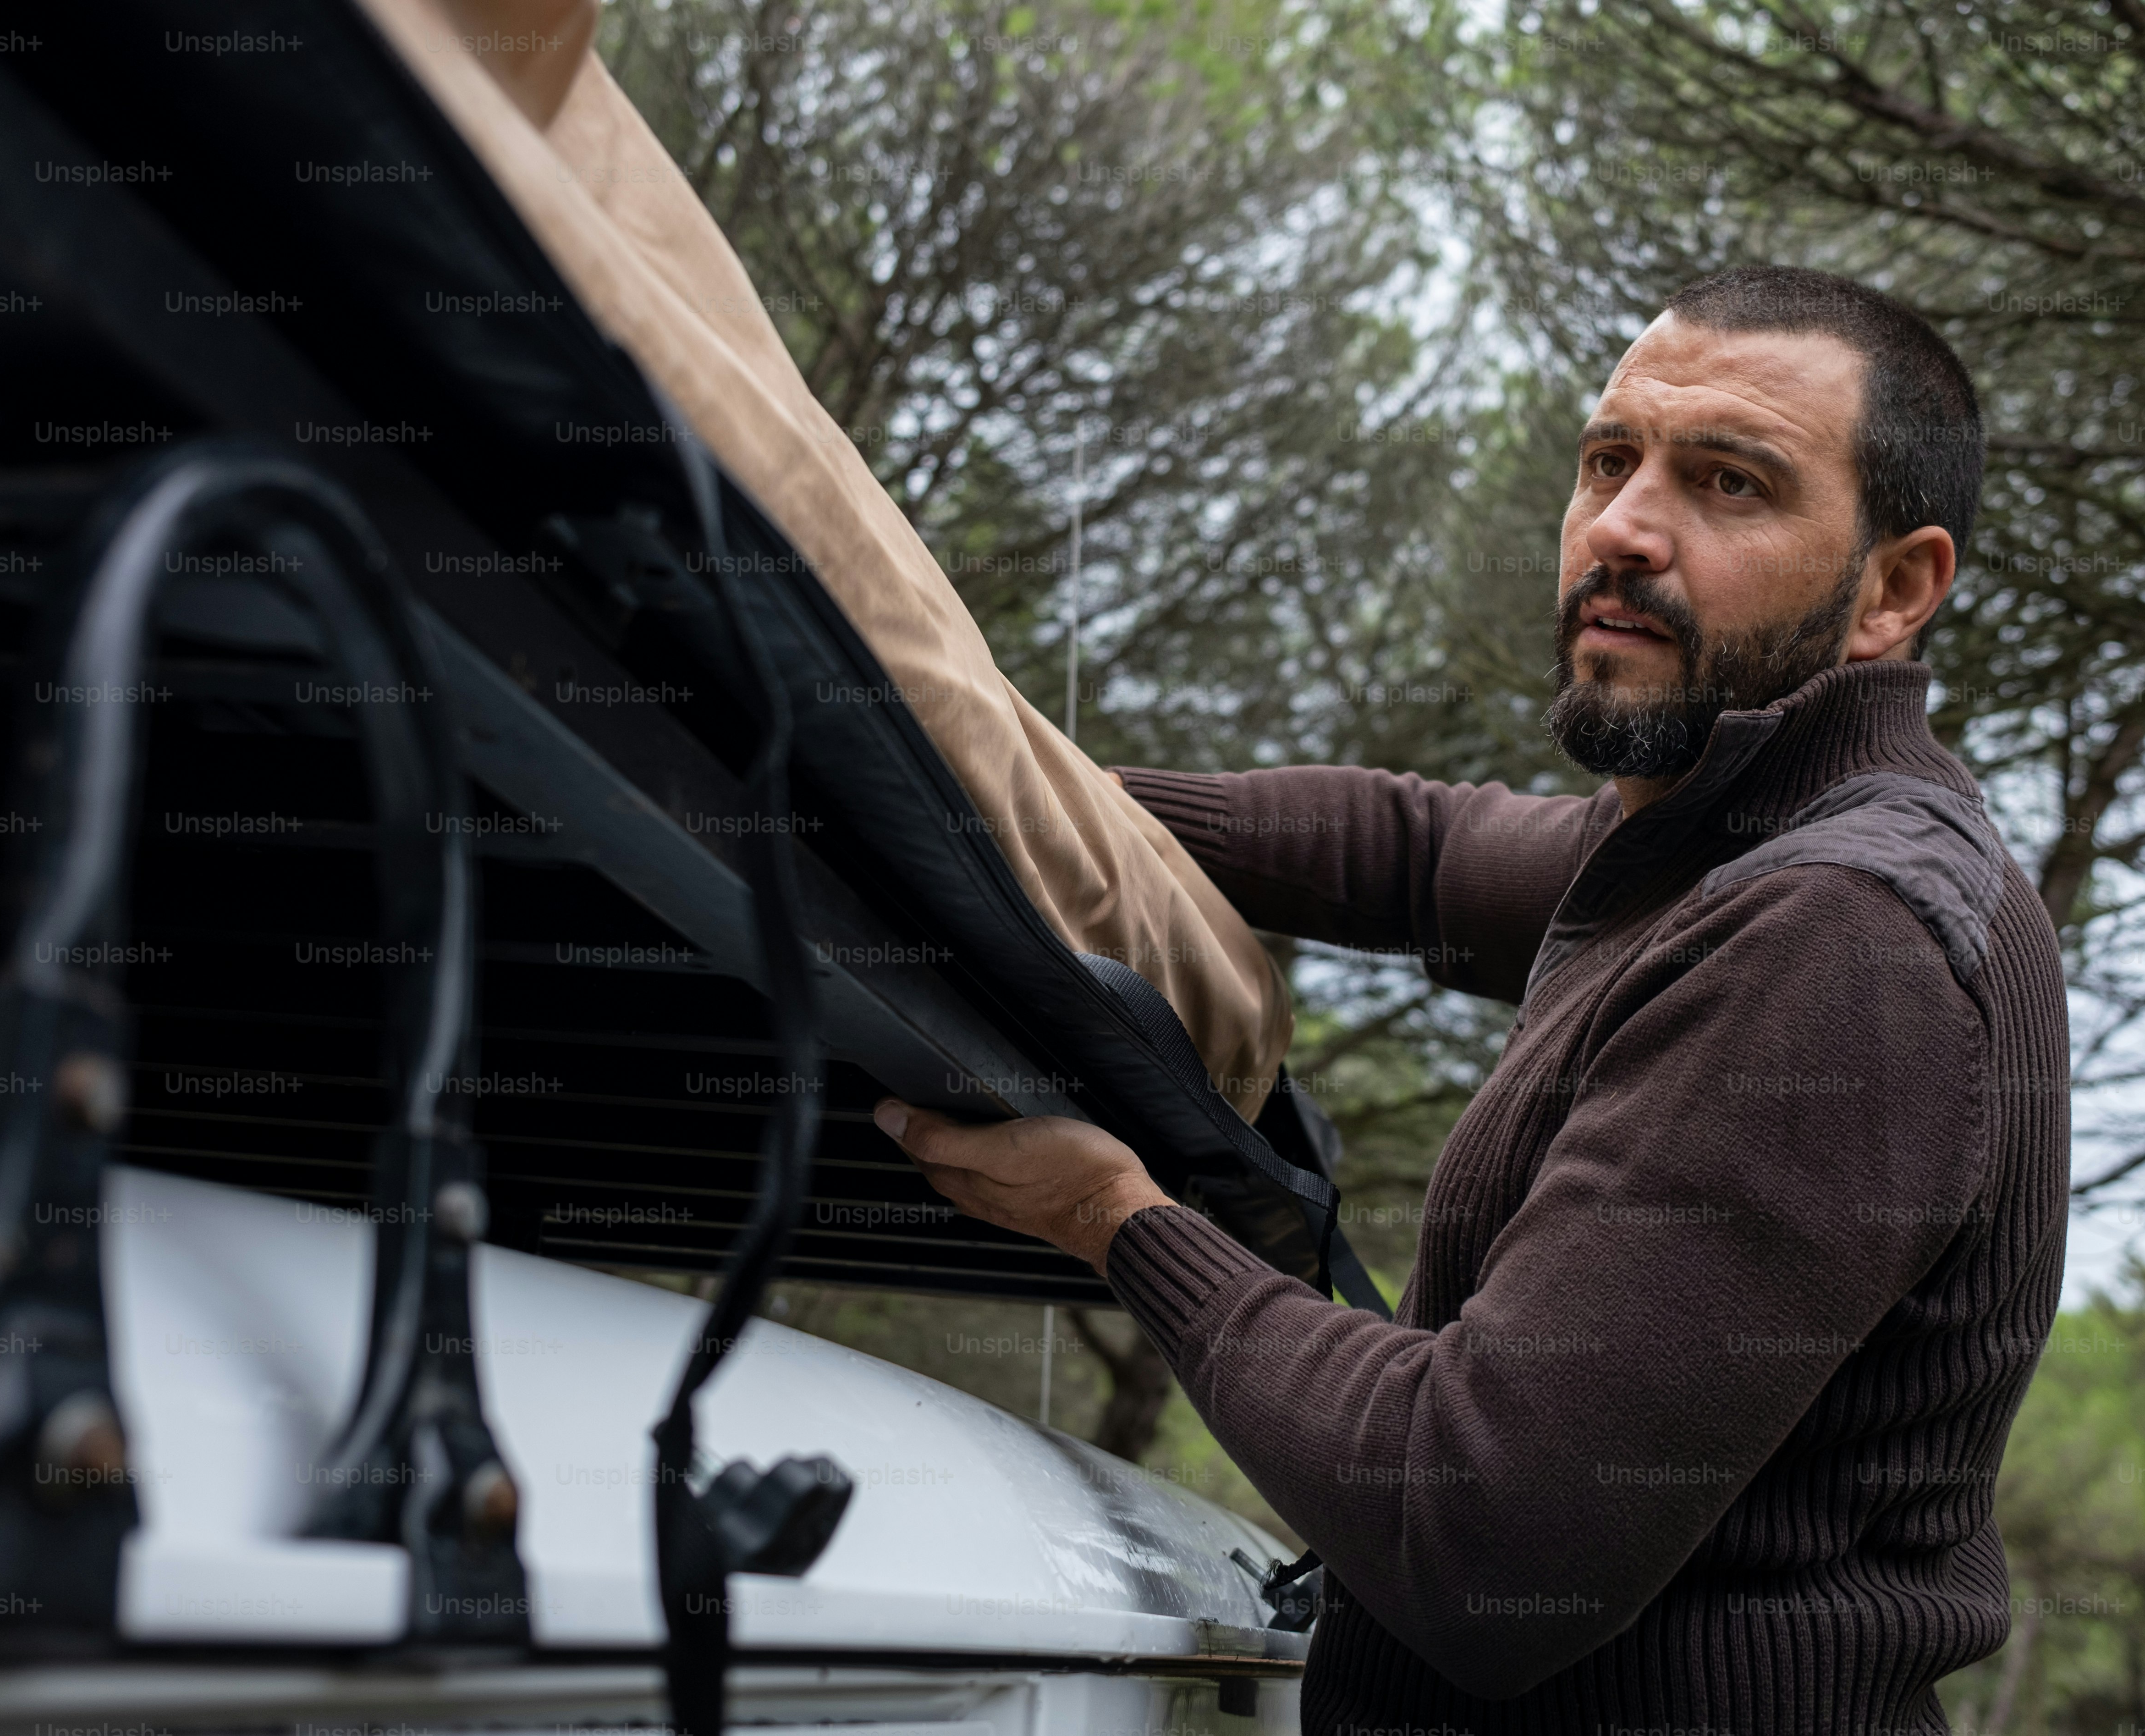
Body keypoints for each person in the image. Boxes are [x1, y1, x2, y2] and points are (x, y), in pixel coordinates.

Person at [872, 264, 2067, 1735]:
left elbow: (1483, 1529)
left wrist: (1117, 1221)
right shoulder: (1725, 836)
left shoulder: (1840, 934)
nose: (1624, 530)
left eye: (1730, 483)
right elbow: (1419, 851)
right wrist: (1024, 800)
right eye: (1609, 460)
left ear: (1894, 588)